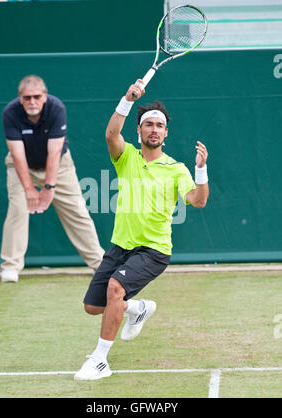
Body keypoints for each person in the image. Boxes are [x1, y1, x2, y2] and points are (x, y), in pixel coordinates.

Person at [74, 80, 209, 381]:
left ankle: (99, 360)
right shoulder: (126, 157)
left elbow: (198, 201)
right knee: (92, 307)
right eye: (147, 124)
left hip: (154, 250)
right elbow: (111, 134)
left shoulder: (177, 168)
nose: (153, 130)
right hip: (120, 246)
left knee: (114, 289)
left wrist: (201, 169)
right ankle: (137, 309)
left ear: (165, 133)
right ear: (139, 131)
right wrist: (127, 99)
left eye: (159, 126)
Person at [0, 75, 104, 282]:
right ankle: (10, 266)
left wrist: (49, 186)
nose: (32, 102)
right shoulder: (10, 113)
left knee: (77, 211)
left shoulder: (57, 108)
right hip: (21, 166)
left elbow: (54, 152)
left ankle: (100, 265)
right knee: (18, 209)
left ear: (45, 96)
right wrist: (29, 189)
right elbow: (17, 153)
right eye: (27, 97)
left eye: (36, 97)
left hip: (60, 166)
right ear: (20, 98)